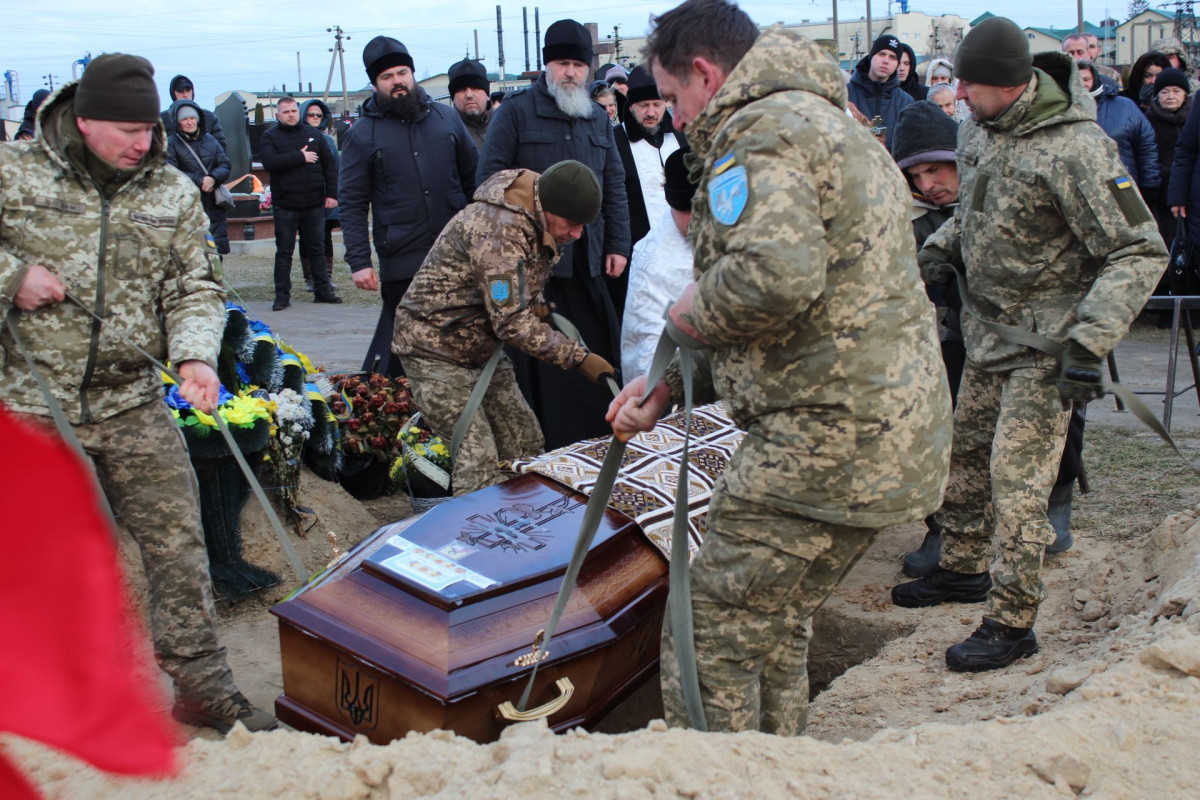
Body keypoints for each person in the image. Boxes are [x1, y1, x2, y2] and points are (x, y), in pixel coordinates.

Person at [610, 0, 951, 735]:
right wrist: (669, 379)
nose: (672, 117)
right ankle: (782, 765)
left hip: (821, 437)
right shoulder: (830, 121)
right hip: (888, 431)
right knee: (779, 621)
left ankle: (719, 782)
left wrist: (680, 318)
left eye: (670, 97)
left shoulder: (756, 130)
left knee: (708, 633)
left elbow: (771, 277)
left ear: (704, 74)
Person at [0, 53, 276, 733]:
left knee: (178, 544)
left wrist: (194, 357)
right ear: (82, 119)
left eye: (148, 129)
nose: (142, 143)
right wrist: (11, 276)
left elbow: (195, 288)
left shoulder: (171, 193)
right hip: (32, 402)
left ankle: (200, 682)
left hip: (130, 402)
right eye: (125, 129)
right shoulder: (15, 173)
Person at [891, 19, 1165, 672]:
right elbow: (973, 214)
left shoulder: (1078, 149)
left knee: (1018, 485)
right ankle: (960, 569)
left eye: (969, 82)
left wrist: (1090, 340)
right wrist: (932, 254)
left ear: (1011, 85)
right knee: (964, 462)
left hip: (1047, 350)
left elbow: (1138, 249)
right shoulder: (980, 133)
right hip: (988, 337)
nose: (956, 93)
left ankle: (1012, 621)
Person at [394, 161, 615, 494]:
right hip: (433, 347)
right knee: (477, 458)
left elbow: (519, 283)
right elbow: (510, 321)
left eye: (583, 226)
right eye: (572, 224)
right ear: (549, 208)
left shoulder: (536, 216)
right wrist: (578, 357)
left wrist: (535, 301)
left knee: (524, 442)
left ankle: (530, 525)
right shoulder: (500, 231)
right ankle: (480, 537)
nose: (577, 234)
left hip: (480, 346)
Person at [476, 18, 632, 449]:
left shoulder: (599, 120)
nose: (571, 73)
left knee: (595, 353)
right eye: (562, 63)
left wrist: (617, 243)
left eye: (579, 66)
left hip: (587, 261)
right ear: (547, 66)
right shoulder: (515, 113)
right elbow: (490, 184)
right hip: (535, 269)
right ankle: (545, 447)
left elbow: (614, 184)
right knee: (540, 365)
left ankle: (599, 441)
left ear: (589, 69)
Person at [340, 36, 477, 377]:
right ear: (375, 84)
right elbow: (353, 202)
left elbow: (475, 183)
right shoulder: (362, 133)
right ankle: (405, 421)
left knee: (462, 344)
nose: (397, 80)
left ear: (413, 74)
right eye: (387, 76)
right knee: (408, 353)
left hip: (456, 255)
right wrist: (359, 261)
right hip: (403, 260)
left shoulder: (447, 119)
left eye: (402, 72)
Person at [620, 147, 696, 381]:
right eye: (689, 212)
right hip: (679, 384)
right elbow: (650, 343)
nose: (699, 221)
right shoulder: (655, 261)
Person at [260, 96, 341, 310]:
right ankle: (282, 296)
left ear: (299, 112)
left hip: (314, 203)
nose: (290, 115)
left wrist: (332, 194)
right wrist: (300, 157)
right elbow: (270, 162)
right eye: (285, 112)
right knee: (284, 252)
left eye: (293, 111)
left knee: (317, 249)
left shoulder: (314, 135)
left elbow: (329, 166)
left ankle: (322, 291)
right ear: (278, 115)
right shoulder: (270, 137)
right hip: (286, 205)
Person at [614, 64, 686, 249]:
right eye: (644, 105)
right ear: (631, 106)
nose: (651, 112)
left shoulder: (681, 136)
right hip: (634, 246)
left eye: (657, 104)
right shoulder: (615, 141)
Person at [1081, 61, 1161, 199]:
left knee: (1134, 219)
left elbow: (1146, 144)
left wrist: (1150, 183)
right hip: (1084, 190)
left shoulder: (1124, 106)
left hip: (1124, 186)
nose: (1082, 84)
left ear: (1095, 78)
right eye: (1076, 79)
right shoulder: (1062, 110)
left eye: (1086, 79)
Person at [164, 99, 232, 256]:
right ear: (178, 122)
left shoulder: (211, 140)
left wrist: (213, 178)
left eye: (192, 118)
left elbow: (225, 164)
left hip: (212, 207)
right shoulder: (172, 144)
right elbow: (171, 172)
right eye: (185, 119)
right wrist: (200, 180)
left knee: (214, 253)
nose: (189, 122)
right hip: (188, 207)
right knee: (192, 255)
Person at [1148, 68, 1192, 255]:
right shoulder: (1148, 120)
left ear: (1185, 94)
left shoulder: (1193, 119)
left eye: (1176, 91)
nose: (1170, 96)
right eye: (1164, 92)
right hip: (1160, 192)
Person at [298, 99, 341, 292]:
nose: (315, 118)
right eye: (311, 114)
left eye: (319, 115)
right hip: (306, 196)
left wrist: (335, 194)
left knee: (325, 237)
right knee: (308, 238)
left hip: (327, 196)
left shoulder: (328, 141)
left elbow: (337, 168)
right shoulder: (297, 137)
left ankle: (326, 276)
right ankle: (310, 278)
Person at [846, 33, 915, 151]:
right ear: (871, 56)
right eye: (881, 54)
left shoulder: (906, 102)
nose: (886, 60)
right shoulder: (846, 94)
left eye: (892, 57)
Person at [159, 74, 226, 154]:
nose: (185, 94)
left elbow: (221, 146)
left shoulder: (208, 117)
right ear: (173, 93)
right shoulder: (163, 119)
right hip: (174, 165)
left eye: (188, 90)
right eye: (180, 91)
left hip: (206, 165)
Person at [447, 58, 492, 151]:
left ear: (487, 95)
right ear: (453, 99)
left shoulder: (506, 124)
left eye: (475, 88)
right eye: (461, 90)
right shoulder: (446, 132)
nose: (469, 95)